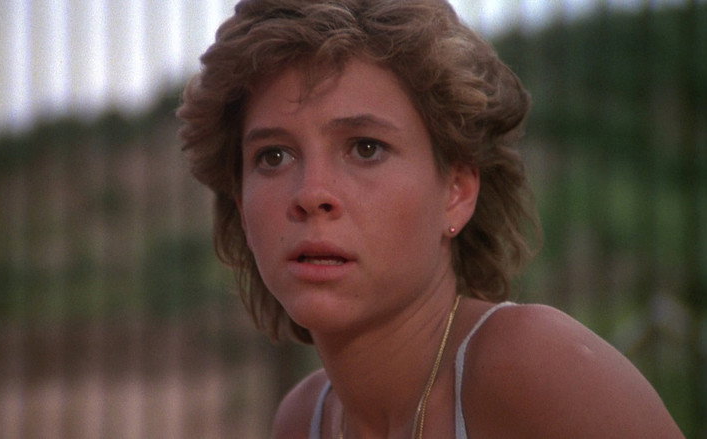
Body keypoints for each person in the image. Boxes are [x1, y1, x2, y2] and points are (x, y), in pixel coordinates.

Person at [177, 0, 684, 437]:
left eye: (366, 148)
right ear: (240, 205)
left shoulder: (533, 368)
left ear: (457, 192)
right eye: (273, 156)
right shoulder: (304, 419)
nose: (311, 195)